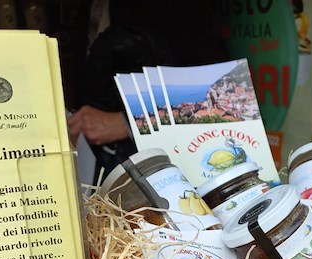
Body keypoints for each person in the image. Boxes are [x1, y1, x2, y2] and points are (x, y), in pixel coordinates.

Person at [67, 1, 229, 180]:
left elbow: (219, 88)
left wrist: (128, 122)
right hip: (98, 157)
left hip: (162, 165)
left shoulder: (183, 12)